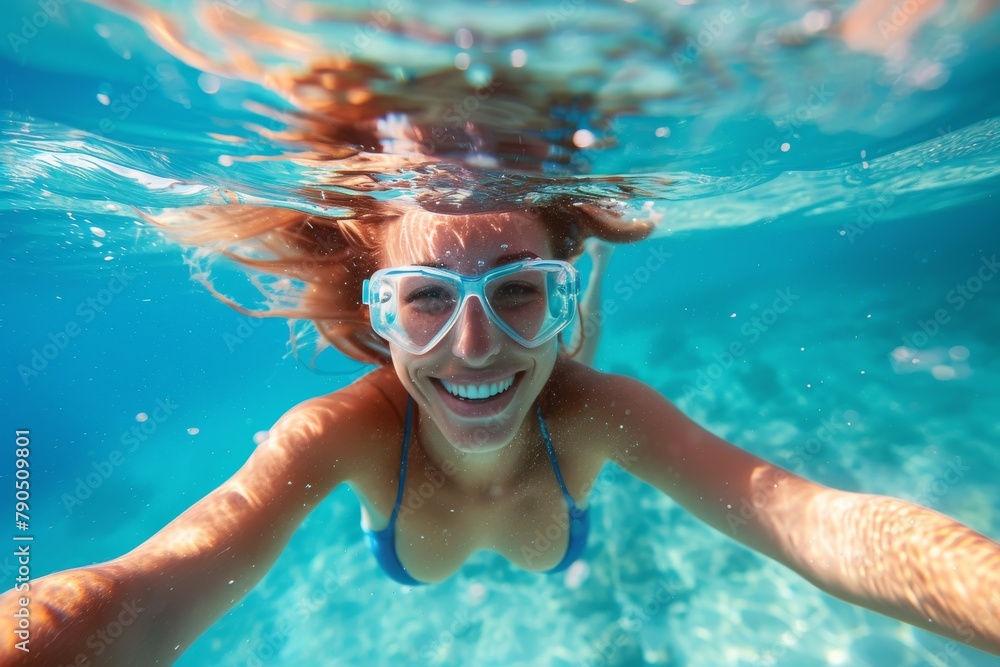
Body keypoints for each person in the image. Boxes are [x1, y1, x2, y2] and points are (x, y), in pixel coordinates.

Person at [3, 192, 999, 665]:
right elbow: (142, 587)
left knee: (571, 370)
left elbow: (809, 519)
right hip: (489, 476)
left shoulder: (600, 414)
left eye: (520, 289)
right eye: (426, 299)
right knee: (548, 365)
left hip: (560, 492)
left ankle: (568, 302)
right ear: (376, 309)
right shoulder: (332, 435)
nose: (473, 346)